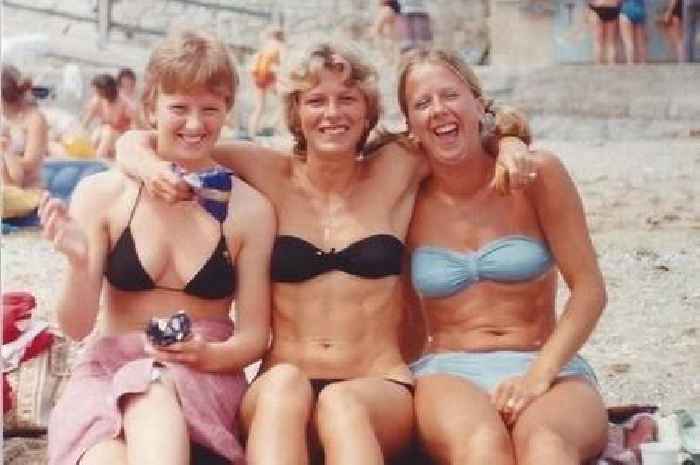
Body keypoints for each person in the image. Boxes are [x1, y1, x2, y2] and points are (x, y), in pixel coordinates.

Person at [115, 41, 534, 465]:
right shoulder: (266, 171)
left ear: (368, 111)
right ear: (296, 112)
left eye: (347, 99)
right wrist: (150, 170)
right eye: (316, 101)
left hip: (377, 384)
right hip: (282, 385)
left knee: (341, 403)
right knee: (284, 386)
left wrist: (512, 143)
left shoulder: (399, 164)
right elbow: (146, 140)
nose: (332, 113)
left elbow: (466, 123)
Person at [43, 29, 275, 465]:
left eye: (210, 108)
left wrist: (210, 355)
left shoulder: (249, 210)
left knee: (150, 386)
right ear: (150, 106)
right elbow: (75, 328)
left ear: (227, 109)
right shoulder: (102, 194)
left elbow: (254, 337)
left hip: (204, 372)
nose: (194, 123)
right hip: (107, 368)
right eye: (179, 108)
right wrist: (79, 263)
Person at [397, 48, 608, 465]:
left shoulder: (537, 174)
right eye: (422, 103)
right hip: (448, 369)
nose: (438, 110)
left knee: (546, 446)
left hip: (546, 360)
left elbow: (589, 290)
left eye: (450, 95)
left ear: (478, 104)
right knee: (482, 447)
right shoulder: (404, 195)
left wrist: (539, 375)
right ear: (410, 125)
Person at [1, 64, 48, 220]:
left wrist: (6, 154)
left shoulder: (34, 120)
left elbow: (31, 163)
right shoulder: (4, 117)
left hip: (28, 191)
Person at [81, 73, 137, 159]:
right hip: (104, 134)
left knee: (108, 132)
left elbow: (135, 127)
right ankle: (88, 157)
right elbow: (86, 122)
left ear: (106, 90)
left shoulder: (125, 103)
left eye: (98, 91)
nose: (96, 93)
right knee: (98, 133)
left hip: (121, 138)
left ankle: (99, 158)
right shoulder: (98, 100)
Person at [248, 26, 285, 140]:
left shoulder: (264, 47)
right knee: (284, 104)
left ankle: (252, 133)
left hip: (258, 76)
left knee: (259, 106)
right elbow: (283, 63)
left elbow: (254, 64)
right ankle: (280, 130)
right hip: (270, 76)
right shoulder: (279, 45)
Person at [372, 0, 401, 65]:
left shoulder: (386, 10)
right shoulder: (395, 12)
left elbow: (376, 30)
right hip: (394, 44)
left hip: (386, 46)